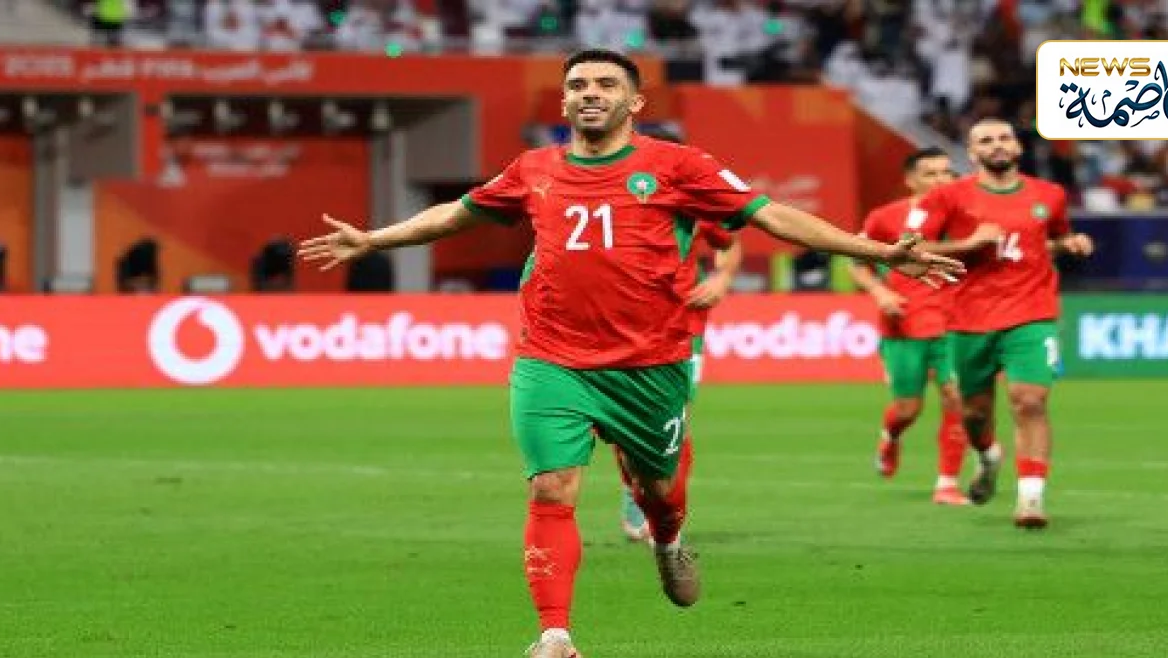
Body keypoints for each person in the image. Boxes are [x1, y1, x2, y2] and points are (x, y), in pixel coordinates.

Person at [299, 49, 964, 658]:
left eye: (605, 84)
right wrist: (374, 240)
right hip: (552, 359)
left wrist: (877, 251)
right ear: (564, 101)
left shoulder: (679, 166)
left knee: (659, 494)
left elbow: (770, 216)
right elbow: (457, 213)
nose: (589, 93)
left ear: (634, 101)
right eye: (577, 85)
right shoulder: (533, 169)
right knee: (551, 487)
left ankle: (668, 539)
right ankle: (555, 634)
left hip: (650, 365)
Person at [916, 118, 1094, 529]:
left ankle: (1030, 498)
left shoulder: (1049, 194)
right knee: (975, 413)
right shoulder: (948, 197)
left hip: (1032, 311)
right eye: (985, 140)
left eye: (1004, 138)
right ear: (972, 152)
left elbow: (1051, 239)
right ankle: (987, 456)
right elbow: (915, 248)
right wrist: (969, 244)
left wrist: (1069, 244)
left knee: (1030, 399)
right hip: (969, 317)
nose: (997, 145)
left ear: (1018, 147)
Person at [615, 129, 744, 544]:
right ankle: (635, 490)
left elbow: (728, 241)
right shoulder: (608, 198)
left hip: (682, 323)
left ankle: (665, 509)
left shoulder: (690, 195)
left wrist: (722, 279)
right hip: (620, 325)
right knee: (623, 423)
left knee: (673, 416)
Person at [851, 147, 984, 506]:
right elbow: (857, 260)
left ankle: (947, 484)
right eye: (931, 173)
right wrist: (880, 292)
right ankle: (891, 436)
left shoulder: (971, 215)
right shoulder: (885, 218)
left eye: (947, 172)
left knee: (957, 398)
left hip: (957, 321)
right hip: (906, 321)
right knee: (907, 409)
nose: (941, 180)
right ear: (910, 180)